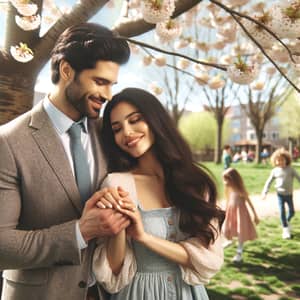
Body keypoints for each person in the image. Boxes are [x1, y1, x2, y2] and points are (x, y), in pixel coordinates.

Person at [0, 23, 131, 300]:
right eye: (100, 81)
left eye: (112, 85)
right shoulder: (8, 143)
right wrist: (79, 233)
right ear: (67, 70)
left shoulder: (108, 133)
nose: (108, 95)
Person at [92, 88, 225, 299]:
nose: (126, 132)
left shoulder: (195, 182)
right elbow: (112, 276)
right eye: (117, 129)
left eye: (135, 120)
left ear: (155, 119)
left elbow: (209, 259)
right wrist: (118, 224)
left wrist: (143, 237)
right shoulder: (117, 184)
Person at [222, 168, 259, 263]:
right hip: (231, 213)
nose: (225, 182)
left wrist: (255, 215)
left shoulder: (241, 191)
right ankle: (229, 241)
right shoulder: (228, 189)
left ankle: (239, 252)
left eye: (227, 179)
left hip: (241, 214)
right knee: (227, 228)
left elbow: (249, 203)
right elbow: (228, 201)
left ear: (234, 179)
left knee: (240, 232)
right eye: (224, 179)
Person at [262, 148, 300, 239]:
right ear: (275, 161)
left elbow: (299, 178)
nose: (280, 162)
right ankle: (285, 229)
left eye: (282, 160)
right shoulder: (275, 171)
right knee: (282, 211)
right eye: (278, 160)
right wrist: (265, 192)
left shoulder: (291, 170)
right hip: (280, 195)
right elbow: (269, 181)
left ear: (287, 160)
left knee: (292, 212)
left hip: (289, 195)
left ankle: (286, 221)